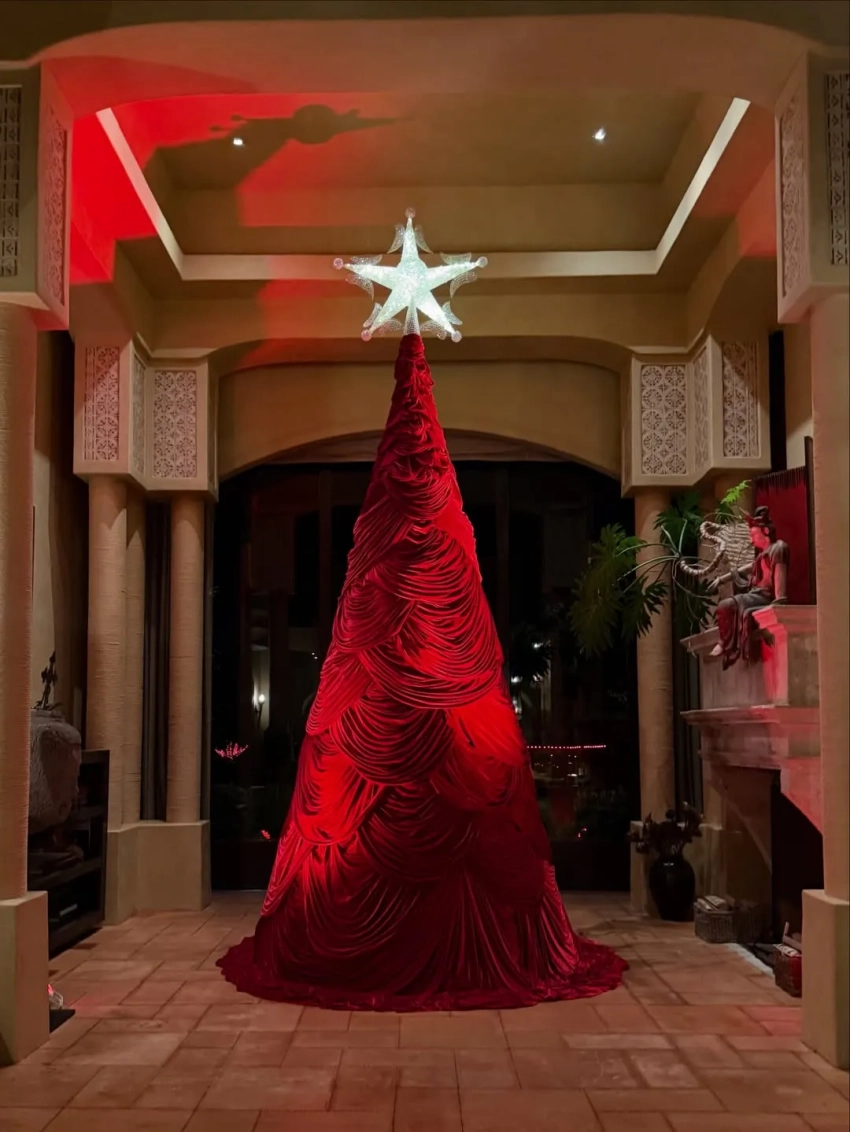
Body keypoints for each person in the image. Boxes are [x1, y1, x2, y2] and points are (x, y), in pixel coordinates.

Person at [708, 506, 788, 668]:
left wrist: (779, 600)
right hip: (756, 594)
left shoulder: (778, 548)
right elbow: (746, 569)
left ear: (765, 531)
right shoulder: (761, 555)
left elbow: (779, 574)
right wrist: (721, 579)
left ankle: (726, 645)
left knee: (727, 605)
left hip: (764, 596)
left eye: (753, 535)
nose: (751, 540)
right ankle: (726, 644)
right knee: (726, 605)